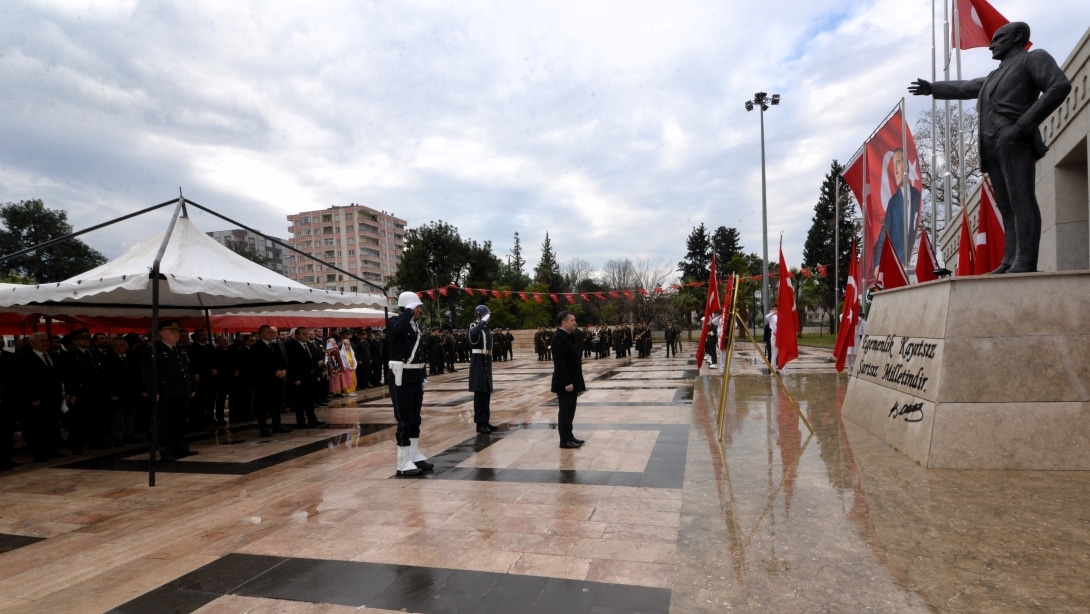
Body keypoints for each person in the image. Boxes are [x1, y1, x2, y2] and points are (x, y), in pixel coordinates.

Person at [909, 21, 1071, 273]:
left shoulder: (1032, 59)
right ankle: (1009, 259)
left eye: (998, 39)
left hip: (1014, 137)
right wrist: (933, 89)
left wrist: (1021, 126)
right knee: (1006, 206)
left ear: (1017, 36)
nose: (991, 46)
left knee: (1022, 200)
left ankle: (1025, 260)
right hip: (992, 144)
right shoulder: (995, 75)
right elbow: (966, 87)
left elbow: (1059, 86)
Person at [388, 291, 432, 477]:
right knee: (404, 419)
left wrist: (423, 375)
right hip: (402, 377)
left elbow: (420, 352)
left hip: (415, 376)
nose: (420, 310)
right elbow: (397, 331)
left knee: (415, 418)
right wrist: (407, 311)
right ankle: (402, 461)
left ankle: (413, 455)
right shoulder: (395, 322)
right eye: (417, 306)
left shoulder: (414, 325)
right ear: (409, 307)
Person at [141, 319, 195, 461]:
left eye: (177, 331)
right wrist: (154, 391)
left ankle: (181, 449)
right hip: (165, 394)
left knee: (180, 423)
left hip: (181, 393)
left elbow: (188, 371)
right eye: (172, 331)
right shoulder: (154, 351)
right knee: (165, 425)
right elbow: (149, 373)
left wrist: (191, 388)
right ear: (161, 334)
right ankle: (166, 451)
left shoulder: (180, 350)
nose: (176, 334)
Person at [13, 332, 66, 462]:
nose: (45, 343)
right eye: (41, 341)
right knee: (37, 427)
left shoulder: (51, 356)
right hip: (37, 399)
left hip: (53, 398)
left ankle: (52, 449)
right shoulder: (24, 358)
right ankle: (39, 452)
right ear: (32, 343)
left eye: (46, 340)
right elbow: (23, 381)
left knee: (52, 425)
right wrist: (31, 398)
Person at [872, 148, 922, 267]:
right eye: (893, 164)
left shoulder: (917, 196)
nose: (895, 170)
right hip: (897, 264)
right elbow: (884, 234)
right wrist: (878, 264)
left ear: (907, 166)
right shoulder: (893, 203)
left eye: (898, 163)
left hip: (915, 262)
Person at [551, 311, 586, 449]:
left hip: (572, 381)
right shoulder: (559, 338)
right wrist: (567, 382)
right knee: (565, 411)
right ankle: (564, 440)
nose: (575, 322)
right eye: (572, 320)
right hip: (565, 383)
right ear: (564, 322)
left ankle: (569, 436)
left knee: (570, 411)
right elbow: (560, 364)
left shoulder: (568, 336)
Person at [250, 325, 292, 437]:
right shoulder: (256, 347)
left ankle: (276, 425)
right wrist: (273, 372)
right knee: (263, 406)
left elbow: (281, 360)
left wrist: (283, 370)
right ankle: (263, 428)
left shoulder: (275, 345)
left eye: (273, 332)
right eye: (269, 332)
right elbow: (257, 365)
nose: (272, 334)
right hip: (264, 381)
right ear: (262, 334)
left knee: (277, 403)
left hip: (278, 380)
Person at [468, 304, 498, 433]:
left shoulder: (485, 328)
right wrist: (482, 321)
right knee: (480, 394)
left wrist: (484, 323)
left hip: (486, 360)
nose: (489, 318)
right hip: (478, 361)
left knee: (486, 393)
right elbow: (473, 335)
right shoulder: (474, 326)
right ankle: (479, 423)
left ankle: (485, 420)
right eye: (487, 315)